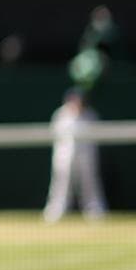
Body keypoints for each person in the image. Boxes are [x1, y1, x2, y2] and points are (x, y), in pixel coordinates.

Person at [43, 88, 107, 223]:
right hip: (64, 158)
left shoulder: (90, 115)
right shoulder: (60, 114)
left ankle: (94, 210)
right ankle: (56, 210)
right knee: (60, 184)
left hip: (86, 157)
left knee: (89, 183)